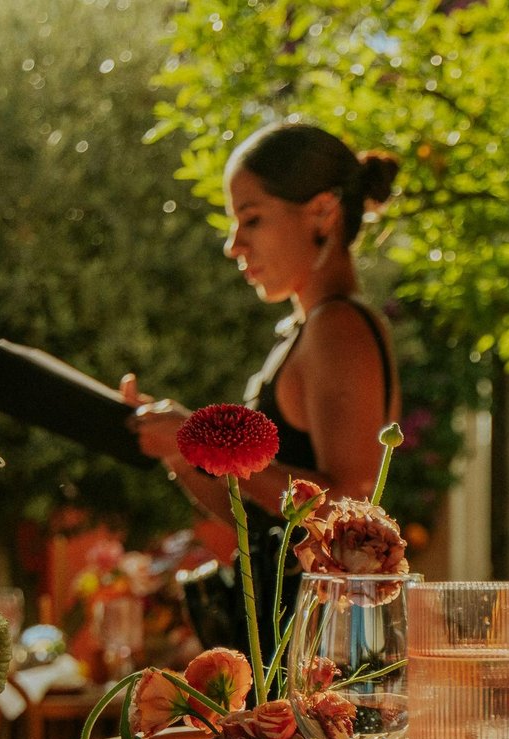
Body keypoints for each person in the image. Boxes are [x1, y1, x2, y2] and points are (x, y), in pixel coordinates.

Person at [124, 122, 402, 521]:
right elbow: (259, 525)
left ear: (323, 213)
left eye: (251, 219)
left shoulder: (338, 326)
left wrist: (210, 442)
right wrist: (180, 449)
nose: (233, 245)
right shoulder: (309, 328)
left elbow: (348, 509)